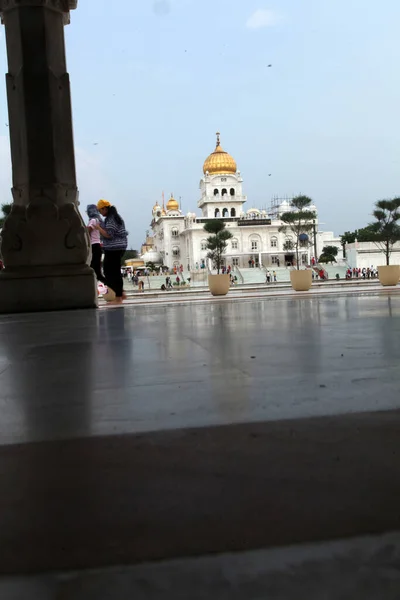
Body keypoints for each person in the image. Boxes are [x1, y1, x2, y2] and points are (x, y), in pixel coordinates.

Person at [96, 199, 128, 304]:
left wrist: (98, 228)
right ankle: (120, 294)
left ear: (104, 208)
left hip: (114, 248)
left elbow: (109, 234)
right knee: (114, 272)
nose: (100, 213)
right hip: (117, 248)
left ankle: (118, 297)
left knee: (110, 272)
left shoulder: (111, 218)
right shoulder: (114, 217)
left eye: (100, 210)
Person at [86, 204, 104, 282]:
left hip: (94, 245)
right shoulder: (98, 220)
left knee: (94, 266)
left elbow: (87, 232)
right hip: (97, 245)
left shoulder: (93, 220)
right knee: (96, 267)